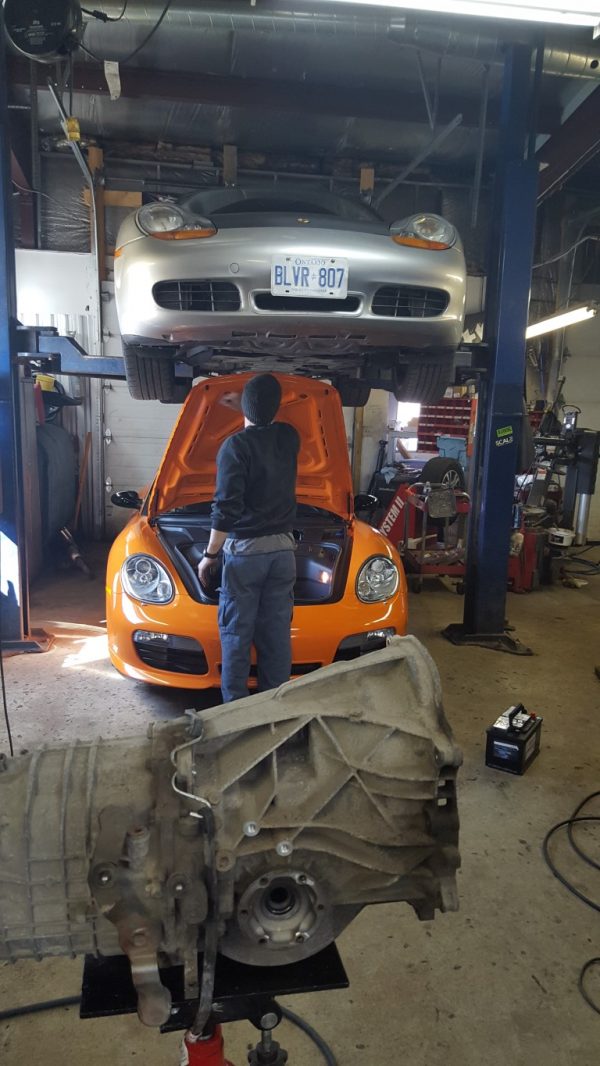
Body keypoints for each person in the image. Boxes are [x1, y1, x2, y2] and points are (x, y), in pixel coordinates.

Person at [197, 373, 300, 702]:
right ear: (276, 408)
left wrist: (210, 556)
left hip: (246, 556)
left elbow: (225, 507)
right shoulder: (289, 437)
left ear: (245, 407)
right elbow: (266, 420)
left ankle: (235, 714)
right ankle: (273, 711)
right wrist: (245, 405)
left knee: (236, 636)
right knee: (276, 636)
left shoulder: (234, 447)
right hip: (284, 554)